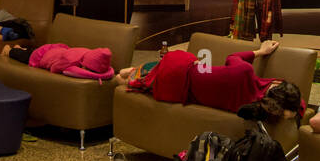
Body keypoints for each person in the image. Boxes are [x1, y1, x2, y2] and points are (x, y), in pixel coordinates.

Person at [114, 40, 305, 125]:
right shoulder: (255, 108)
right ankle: (130, 74)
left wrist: (260, 52)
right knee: (128, 79)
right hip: (180, 89)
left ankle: (125, 73)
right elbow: (299, 108)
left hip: (180, 72)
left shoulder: (244, 72)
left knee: (122, 76)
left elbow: (233, 57)